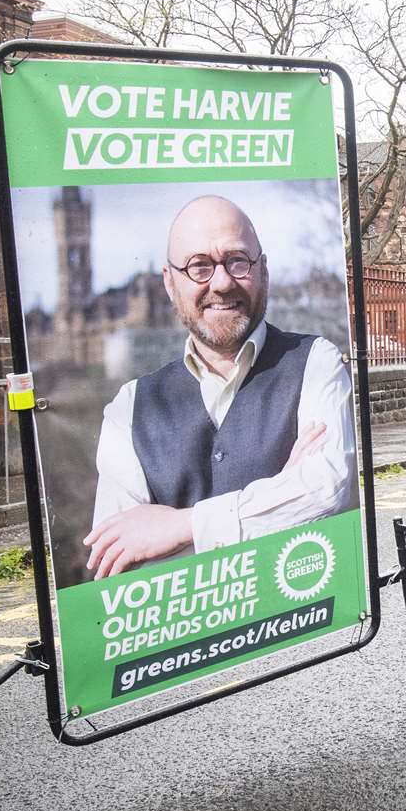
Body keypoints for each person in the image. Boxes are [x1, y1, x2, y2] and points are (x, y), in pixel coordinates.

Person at [85, 195, 357, 580]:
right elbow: (120, 559)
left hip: (300, 626)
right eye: (199, 266)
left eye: (238, 261)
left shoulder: (315, 361)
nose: (223, 282)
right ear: (169, 282)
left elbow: (324, 491)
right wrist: (280, 493)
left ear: (263, 270)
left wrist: (180, 527)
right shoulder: (128, 407)